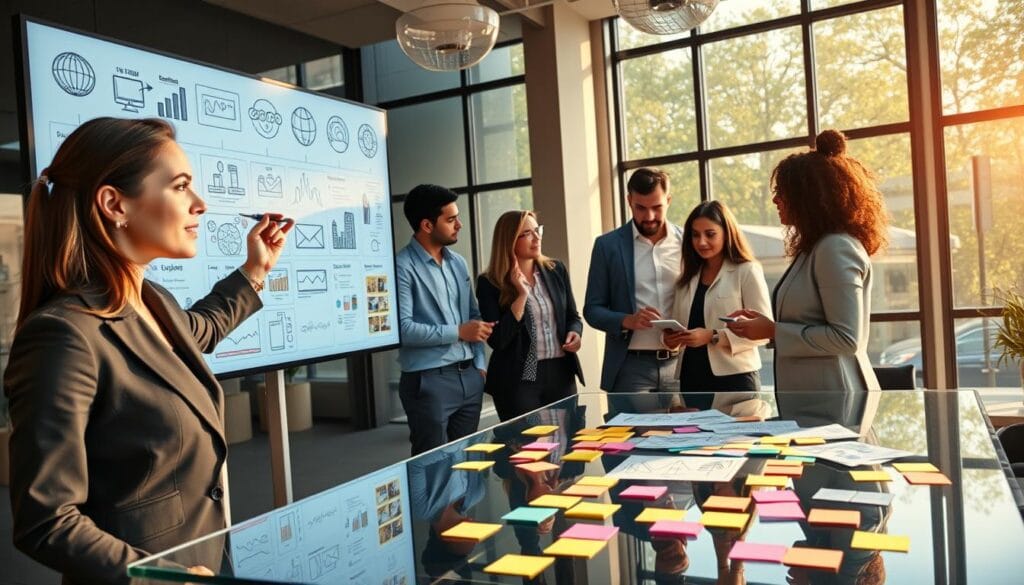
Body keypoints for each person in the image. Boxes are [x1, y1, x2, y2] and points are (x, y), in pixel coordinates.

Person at [4, 117, 293, 584]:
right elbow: (46, 519)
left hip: (205, 560)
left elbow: (201, 328)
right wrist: (159, 576)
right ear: (114, 203)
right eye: (181, 187)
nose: (200, 204)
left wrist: (254, 270)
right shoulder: (64, 335)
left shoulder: (154, 301)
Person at [727, 129, 887, 397]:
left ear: (808, 197)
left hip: (835, 401)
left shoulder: (835, 248)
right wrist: (767, 325)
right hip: (817, 399)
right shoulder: (815, 248)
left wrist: (774, 331)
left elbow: (846, 338)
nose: (775, 200)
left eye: (782, 192)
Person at [396, 184, 491, 455]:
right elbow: (403, 330)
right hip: (428, 381)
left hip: (469, 377)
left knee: (466, 462)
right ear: (426, 224)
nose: (459, 224)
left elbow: (474, 316)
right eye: (451, 220)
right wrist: (459, 332)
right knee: (433, 466)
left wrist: (480, 365)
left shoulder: (458, 262)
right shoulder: (402, 267)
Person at [476, 210, 584, 421]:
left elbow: (573, 316)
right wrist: (521, 296)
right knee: (528, 448)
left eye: (537, 230)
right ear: (510, 241)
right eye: (527, 233)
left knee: (568, 445)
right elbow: (497, 340)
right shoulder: (489, 282)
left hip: (560, 372)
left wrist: (575, 333)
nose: (537, 238)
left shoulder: (556, 270)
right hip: (518, 378)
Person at [662, 201, 771, 409]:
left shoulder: (746, 271)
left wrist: (713, 336)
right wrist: (669, 338)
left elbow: (764, 331)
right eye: (695, 235)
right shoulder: (686, 278)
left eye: (710, 234)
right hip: (691, 380)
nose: (701, 242)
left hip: (734, 381)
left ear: (727, 233)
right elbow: (678, 325)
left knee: (734, 442)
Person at [584, 167, 684, 392]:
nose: (649, 217)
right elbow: (592, 309)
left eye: (657, 207)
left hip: (682, 364)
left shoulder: (687, 243)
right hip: (630, 367)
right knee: (634, 429)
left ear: (668, 200)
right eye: (641, 208)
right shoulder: (607, 246)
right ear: (629, 201)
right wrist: (627, 320)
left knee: (685, 428)